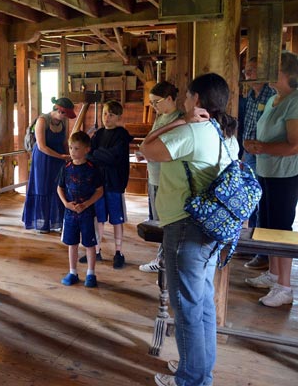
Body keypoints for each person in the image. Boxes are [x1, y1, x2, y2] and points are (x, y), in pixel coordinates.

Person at [140, 73, 239, 386]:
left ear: (197, 100)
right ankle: (198, 369)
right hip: (209, 229)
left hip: (186, 228)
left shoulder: (194, 130)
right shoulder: (222, 132)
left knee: (186, 308)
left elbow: (147, 148)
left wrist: (179, 120)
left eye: (186, 97)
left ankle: (192, 379)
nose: (184, 101)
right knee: (201, 304)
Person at [244, 50, 298, 307]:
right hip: (266, 170)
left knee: (282, 229)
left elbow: (294, 145)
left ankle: (285, 287)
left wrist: (262, 148)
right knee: (267, 225)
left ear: (286, 73)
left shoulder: (294, 101)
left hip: (284, 173)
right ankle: (274, 274)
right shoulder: (277, 98)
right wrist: (256, 145)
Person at [81, 100, 133, 269]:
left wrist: (99, 154)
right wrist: (101, 155)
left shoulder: (122, 135)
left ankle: (119, 252)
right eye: (104, 113)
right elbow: (89, 154)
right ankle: (96, 251)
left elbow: (114, 157)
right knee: (99, 218)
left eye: (111, 114)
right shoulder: (98, 134)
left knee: (117, 219)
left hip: (115, 182)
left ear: (118, 116)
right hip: (99, 183)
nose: (106, 117)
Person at [137, 81, 183, 273]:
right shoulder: (161, 117)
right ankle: (162, 257)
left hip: (167, 177)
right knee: (156, 219)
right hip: (154, 175)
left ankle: (165, 259)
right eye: (151, 102)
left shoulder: (179, 120)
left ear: (170, 99)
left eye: (156, 102)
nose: (154, 106)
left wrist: (148, 152)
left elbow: (167, 148)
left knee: (166, 221)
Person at [241, 57, 277, 270]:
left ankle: (262, 252)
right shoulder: (251, 95)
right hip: (249, 153)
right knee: (249, 199)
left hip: (265, 154)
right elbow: (248, 124)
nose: (248, 75)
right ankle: (252, 245)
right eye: (246, 71)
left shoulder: (271, 94)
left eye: (253, 70)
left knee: (260, 200)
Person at [57, 131, 104, 287]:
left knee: (90, 244)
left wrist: (86, 204)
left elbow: (99, 191)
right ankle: (73, 272)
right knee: (72, 243)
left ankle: (91, 273)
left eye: (76, 148)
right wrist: (65, 203)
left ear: (86, 149)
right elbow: (60, 188)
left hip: (88, 213)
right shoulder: (66, 167)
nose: (72, 151)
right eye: (70, 148)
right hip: (70, 212)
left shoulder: (93, 168)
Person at [22, 97, 75, 233]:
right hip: (43, 159)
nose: (65, 118)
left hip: (58, 159)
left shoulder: (62, 124)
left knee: (58, 187)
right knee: (43, 187)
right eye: (65, 115)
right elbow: (42, 146)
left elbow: (64, 142)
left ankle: (58, 221)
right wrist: (61, 156)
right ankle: (43, 223)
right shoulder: (42, 121)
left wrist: (70, 156)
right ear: (59, 111)